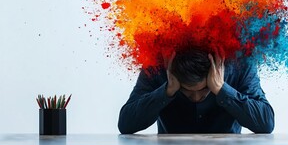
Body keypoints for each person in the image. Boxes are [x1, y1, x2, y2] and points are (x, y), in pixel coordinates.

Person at [118, 48, 275, 134]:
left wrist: (221, 89)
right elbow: (126, 125)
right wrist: (167, 91)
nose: (196, 97)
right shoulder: (156, 67)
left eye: (205, 89)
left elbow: (266, 123)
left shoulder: (241, 65)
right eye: (186, 90)